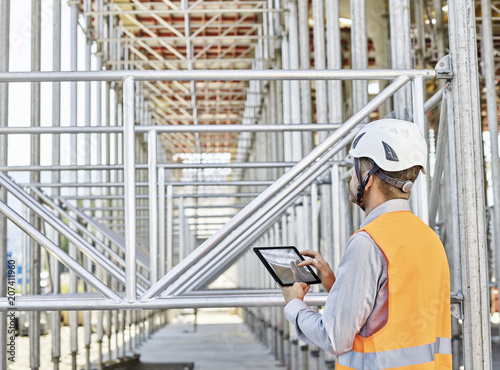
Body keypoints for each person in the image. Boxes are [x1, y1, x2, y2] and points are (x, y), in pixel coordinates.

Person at [280, 119, 452, 369]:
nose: (351, 175)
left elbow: (334, 337)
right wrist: (337, 287)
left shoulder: (368, 242)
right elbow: (396, 313)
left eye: (355, 167)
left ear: (368, 178)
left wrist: (294, 305)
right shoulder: (428, 238)